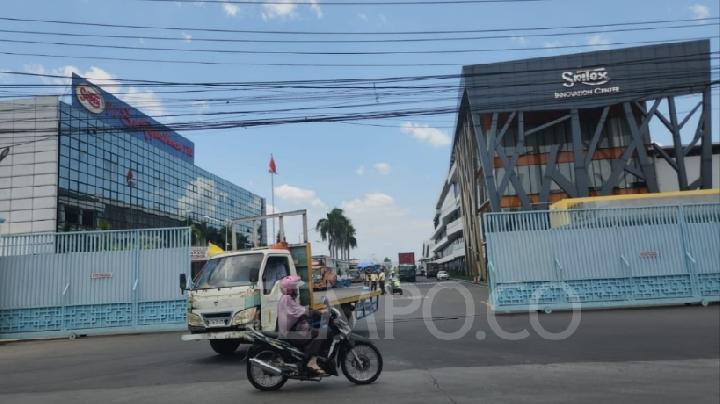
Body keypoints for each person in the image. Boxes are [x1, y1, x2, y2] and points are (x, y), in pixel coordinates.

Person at [277, 275, 327, 375]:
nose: (297, 290)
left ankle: (308, 357)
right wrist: (318, 312)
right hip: (291, 332)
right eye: (295, 288)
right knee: (320, 334)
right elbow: (301, 311)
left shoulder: (288, 298)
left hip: (294, 328)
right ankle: (312, 362)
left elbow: (299, 310)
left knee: (313, 330)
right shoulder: (286, 299)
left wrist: (315, 311)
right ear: (290, 289)